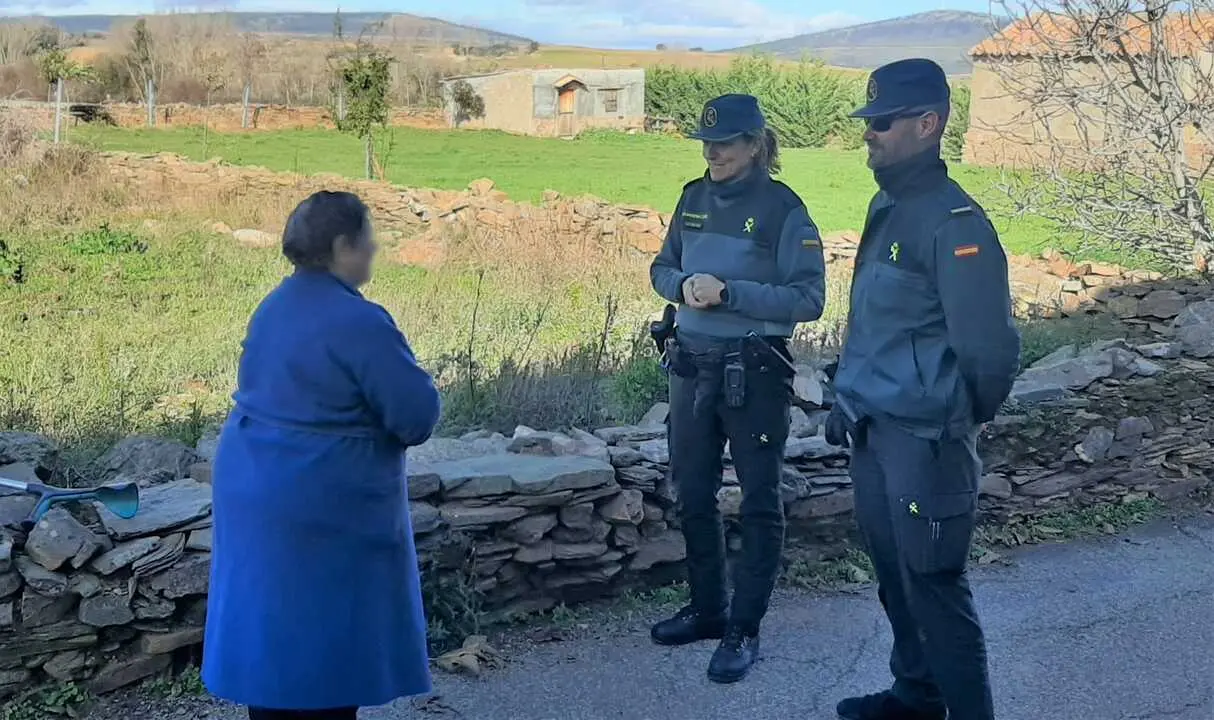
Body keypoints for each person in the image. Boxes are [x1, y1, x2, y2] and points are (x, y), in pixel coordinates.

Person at [823, 58, 1021, 720]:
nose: (869, 132)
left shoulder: (954, 223)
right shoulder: (887, 206)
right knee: (894, 577)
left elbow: (988, 350)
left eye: (882, 121)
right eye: (869, 120)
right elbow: (875, 322)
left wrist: (951, 417)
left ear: (928, 124)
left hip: (925, 440)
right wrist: (850, 391)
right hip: (874, 429)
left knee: (935, 586)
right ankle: (916, 697)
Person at [202, 190, 442, 720]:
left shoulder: (273, 307)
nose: (374, 248)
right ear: (340, 246)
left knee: (274, 642)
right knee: (327, 653)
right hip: (321, 505)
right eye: (366, 238)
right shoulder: (360, 321)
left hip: (254, 488)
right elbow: (415, 416)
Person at [648, 93, 827, 684]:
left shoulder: (784, 209)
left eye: (724, 143)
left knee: (758, 500)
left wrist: (730, 294)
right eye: (707, 142)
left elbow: (809, 299)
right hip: (690, 367)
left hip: (753, 372)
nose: (712, 152)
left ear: (754, 145)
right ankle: (708, 609)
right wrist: (682, 286)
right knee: (692, 493)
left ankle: (743, 628)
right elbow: (661, 269)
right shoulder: (691, 198)